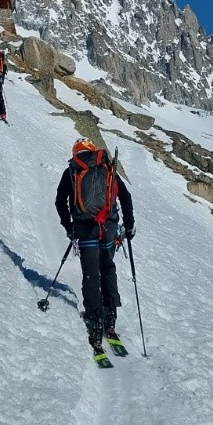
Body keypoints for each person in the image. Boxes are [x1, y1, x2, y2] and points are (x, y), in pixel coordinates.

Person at [55, 139, 135, 349]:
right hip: (108, 228)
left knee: (91, 274)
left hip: (85, 229)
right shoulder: (107, 168)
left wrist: (68, 227)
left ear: (76, 153)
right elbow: (125, 197)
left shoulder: (72, 170)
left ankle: (95, 320)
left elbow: (59, 201)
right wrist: (129, 225)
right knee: (107, 268)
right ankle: (111, 318)